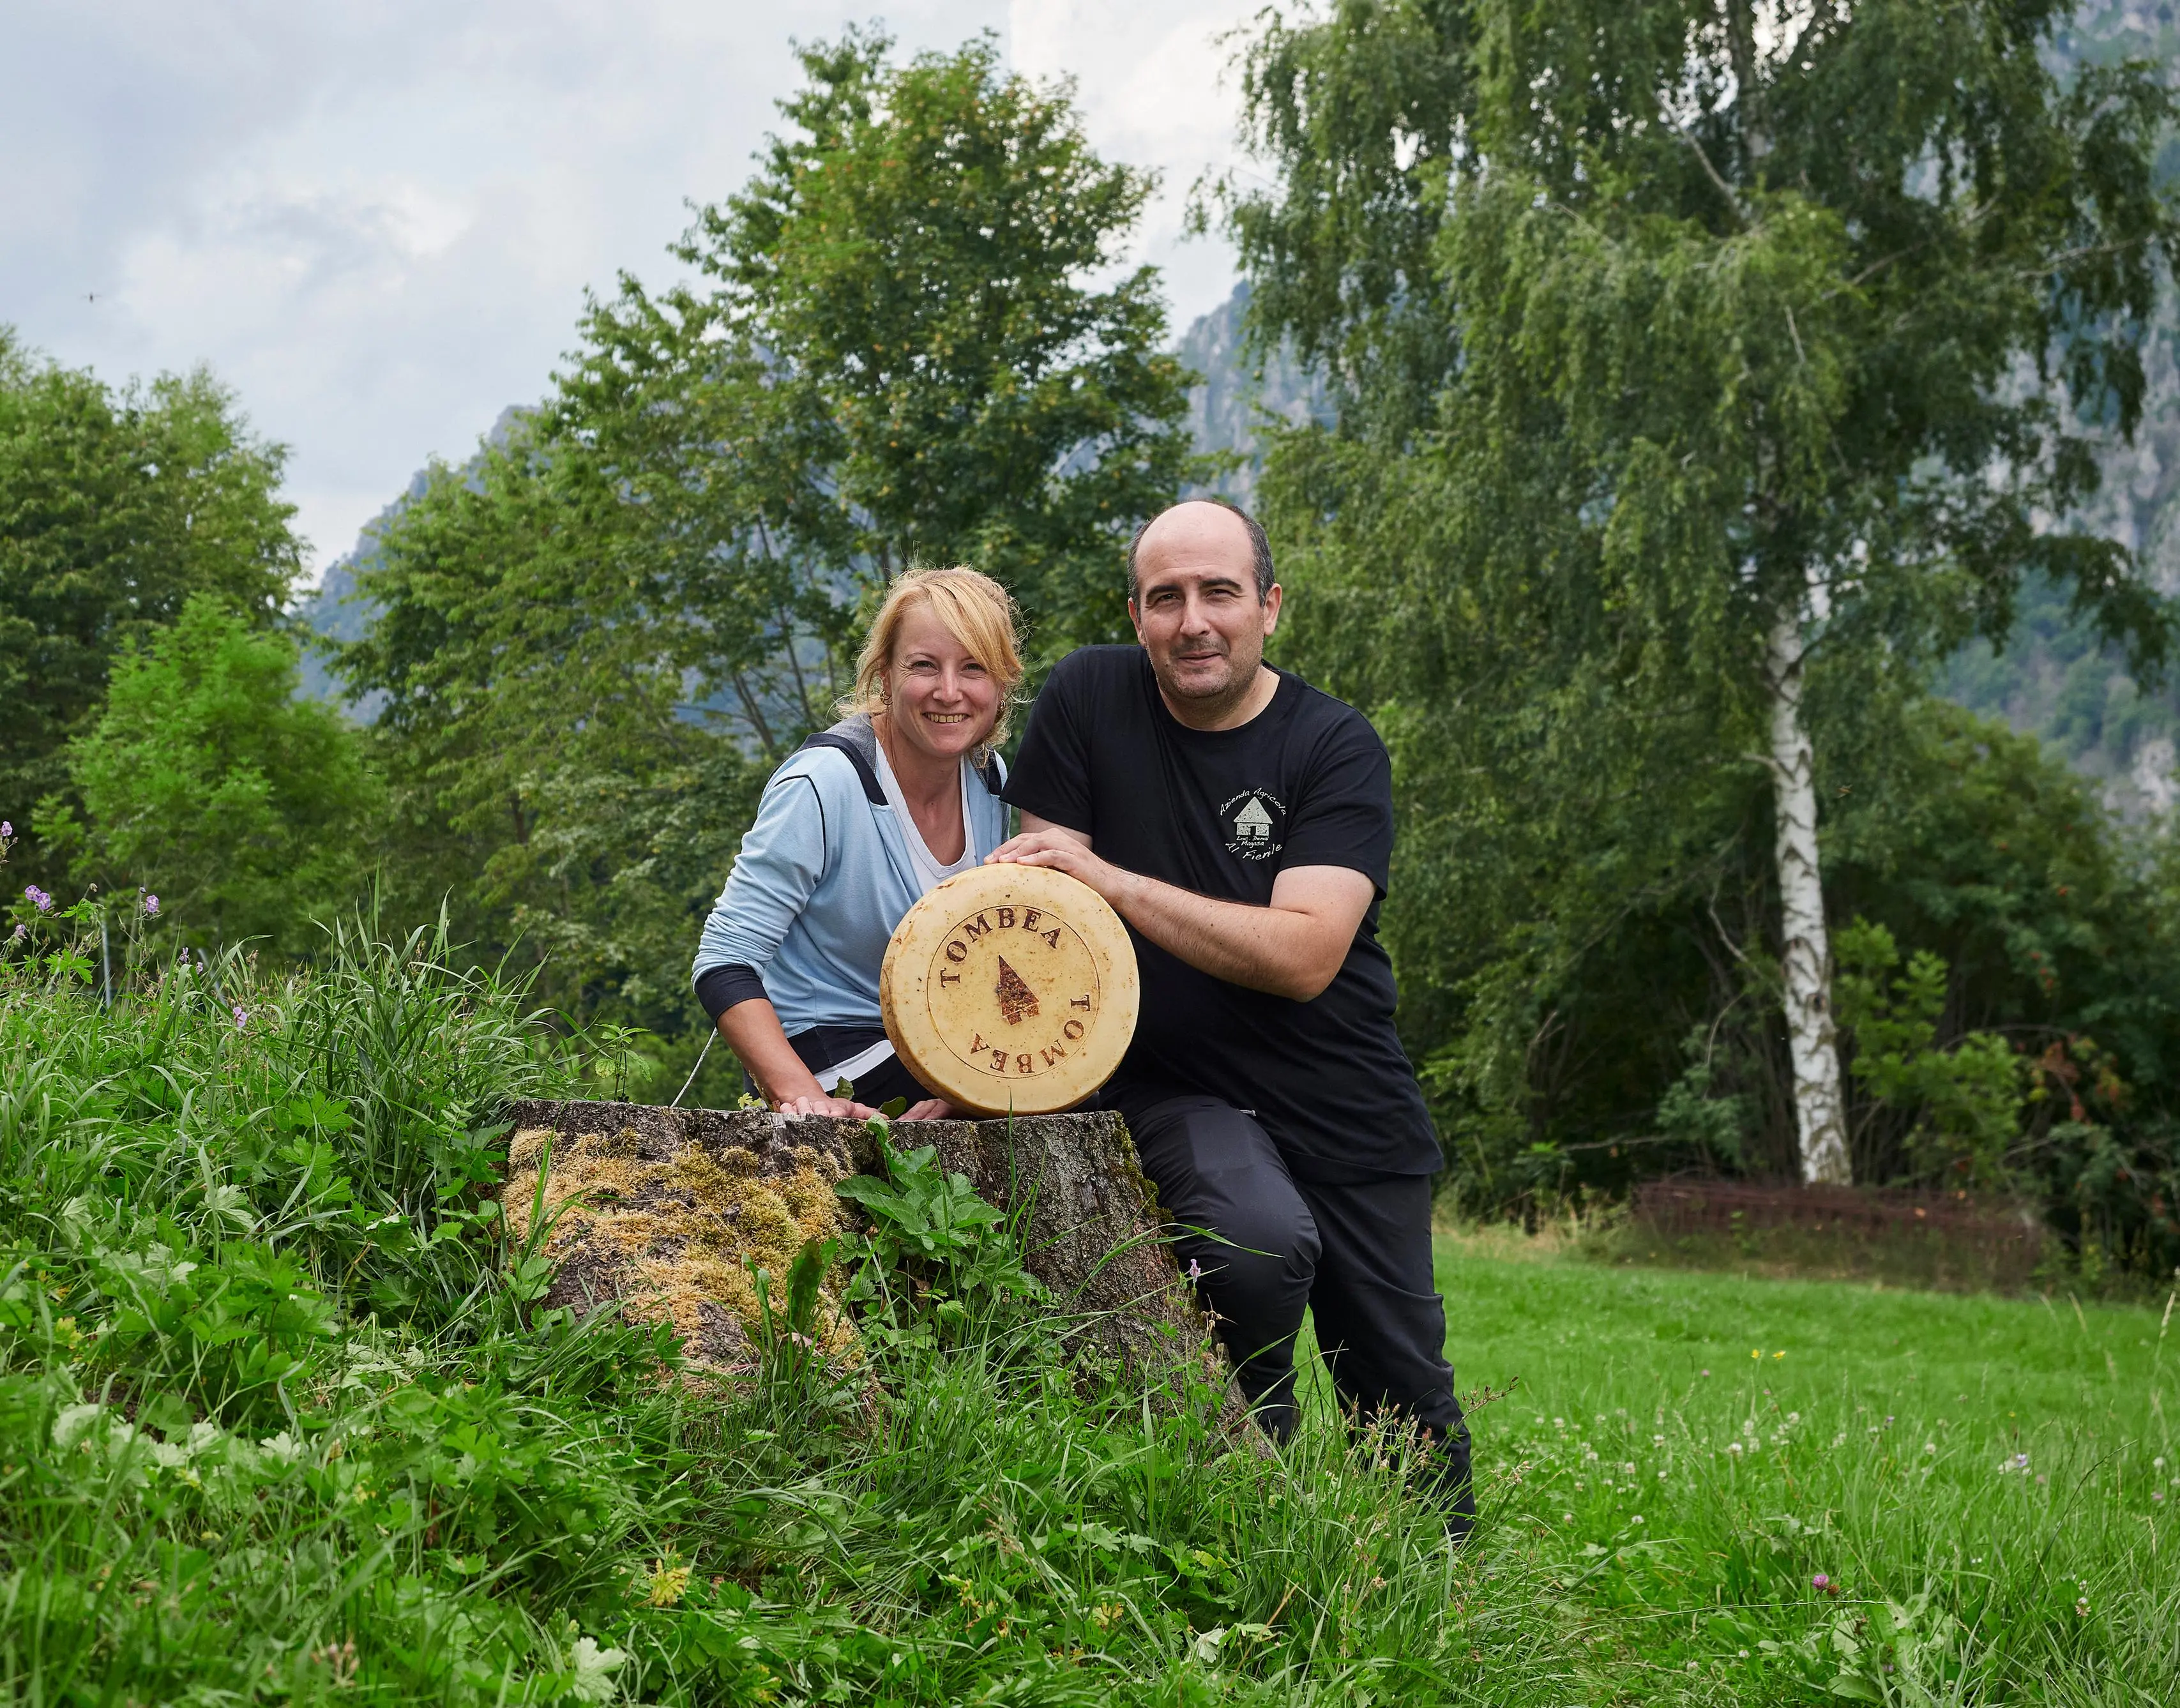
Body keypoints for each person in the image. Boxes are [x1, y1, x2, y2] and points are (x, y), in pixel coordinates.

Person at [988, 497, 1473, 1529]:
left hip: (1343, 1098)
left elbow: (1303, 956)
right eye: (1165, 598)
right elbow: (1045, 915)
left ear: (1269, 607)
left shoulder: (1334, 746)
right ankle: (1251, 1519)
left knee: (1401, 1394)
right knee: (1252, 1246)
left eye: (1218, 592)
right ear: (1135, 615)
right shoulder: (1085, 698)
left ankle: (1440, 1612)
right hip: (1176, 1087)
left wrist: (1113, 881)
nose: (1192, 621)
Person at [693, 566, 1022, 1119]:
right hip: (829, 1056)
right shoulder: (825, 783)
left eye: (974, 668)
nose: (949, 691)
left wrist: (963, 1093)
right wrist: (803, 1097)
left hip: (935, 1048)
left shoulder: (990, 780)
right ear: (885, 675)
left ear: (1002, 684)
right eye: (924, 666)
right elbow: (723, 962)